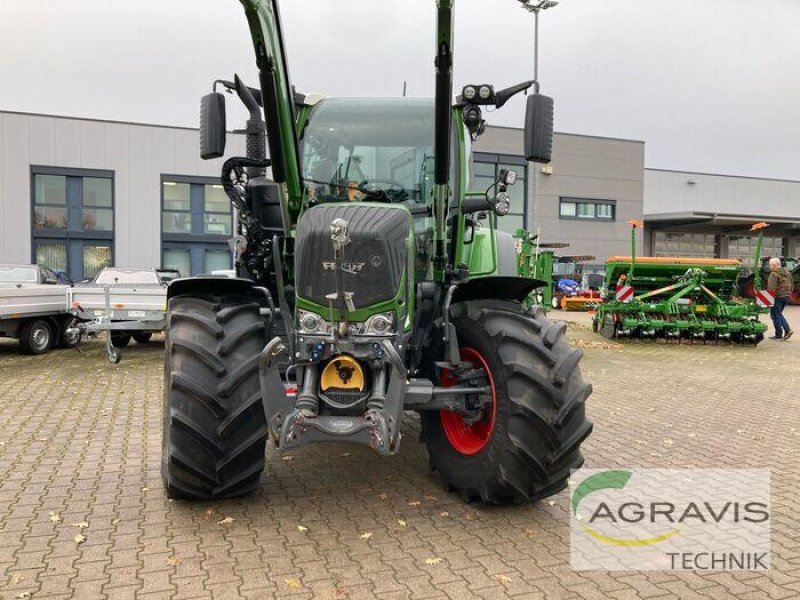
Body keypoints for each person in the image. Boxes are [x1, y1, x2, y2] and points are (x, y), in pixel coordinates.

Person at [767, 257, 793, 340]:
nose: (769, 267)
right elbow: (792, 284)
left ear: (774, 265)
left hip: (778, 297)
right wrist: (788, 293)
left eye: (770, 265)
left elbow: (771, 288)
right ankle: (779, 334)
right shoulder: (788, 273)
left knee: (776, 314)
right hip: (786, 296)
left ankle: (786, 330)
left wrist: (768, 300)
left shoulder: (773, 274)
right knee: (777, 314)